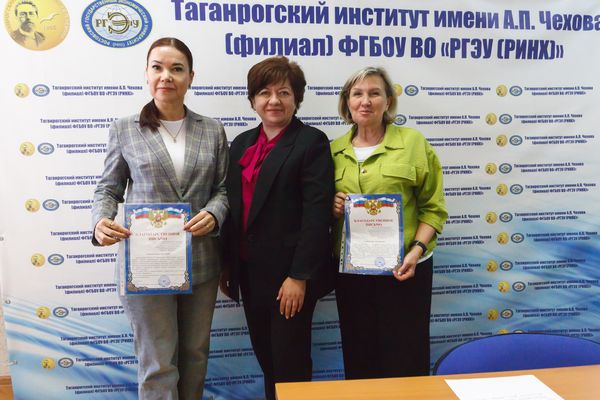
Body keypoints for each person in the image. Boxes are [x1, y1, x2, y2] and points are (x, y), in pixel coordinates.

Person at [91, 37, 228, 400]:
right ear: (147, 74)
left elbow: (223, 190)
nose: (166, 75)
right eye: (158, 67)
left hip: (201, 261)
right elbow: (108, 189)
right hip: (146, 264)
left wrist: (214, 213)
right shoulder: (125, 128)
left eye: (176, 69)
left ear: (190, 77)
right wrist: (100, 221)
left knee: (195, 355)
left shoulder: (212, 129)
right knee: (157, 363)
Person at [222, 56, 335, 400]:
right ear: (252, 100)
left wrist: (299, 276)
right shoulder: (241, 143)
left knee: (291, 364)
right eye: (264, 93)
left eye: (284, 92)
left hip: (289, 278)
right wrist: (228, 267)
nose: (274, 100)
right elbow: (234, 209)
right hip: (249, 273)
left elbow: (317, 215)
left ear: (296, 99)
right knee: (268, 360)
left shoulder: (311, 142)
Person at [331, 67, 447, 379]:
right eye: (357, 94)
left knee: (406, 356)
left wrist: (416, 251)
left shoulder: (413, 143)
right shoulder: (333, 151)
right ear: (347, 102)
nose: (365, 101)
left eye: (374, 93)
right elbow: (316, 211)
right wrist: (333, 207)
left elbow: (433, 209)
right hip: (353, 275)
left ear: (388, 101)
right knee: (359, 355)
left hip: (405, 271)